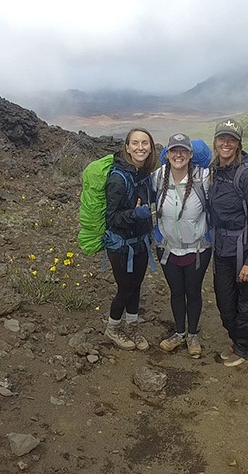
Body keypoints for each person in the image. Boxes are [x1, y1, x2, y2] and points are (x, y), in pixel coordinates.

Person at [207, 119, 248, 367]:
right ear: (215, 141)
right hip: (222, 247)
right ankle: (237, 339)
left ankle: (244, 349)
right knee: (225, 300)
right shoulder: (215, 171)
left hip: (247, 248)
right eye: (222, 138)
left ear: (239, 144)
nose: (226, 143)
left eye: (231, 139)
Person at [151, 133, 211, 358]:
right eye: (174, 150)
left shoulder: (203, 177)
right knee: (176, 291)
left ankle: (192, 334)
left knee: (193, 291)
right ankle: (179, 332)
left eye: (183, 151)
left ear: (191, 154)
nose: (178, 155)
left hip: (198, 249)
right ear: (167, 154)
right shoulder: (158, 177)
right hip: (167, 247)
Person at [103, 127, 160, 351]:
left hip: (141, 243)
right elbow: (111, 217)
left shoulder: (143, 175)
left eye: (145, 143)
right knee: (126, 288)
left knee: (136, 286)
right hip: (120, 245)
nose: (140, 147)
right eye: (135, 143)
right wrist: (134, 214)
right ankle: (113, 327)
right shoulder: (118, 179)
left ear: (151, 147)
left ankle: (133, 327)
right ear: (127, 147)